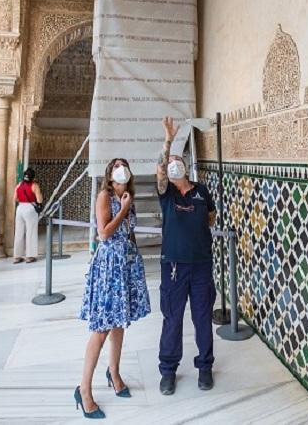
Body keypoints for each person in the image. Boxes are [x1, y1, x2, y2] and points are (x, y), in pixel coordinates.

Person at [76, 158, 150, 418]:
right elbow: (104, 233)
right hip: (109, 265)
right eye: (116, 165)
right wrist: (123, 209)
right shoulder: (104, 196)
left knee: (120, 323)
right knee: (102, 328)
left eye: (124, 165)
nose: (121, 168)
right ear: (109, 174)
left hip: (126, 263)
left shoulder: (129, 195)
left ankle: (114, 372)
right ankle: (84, 390)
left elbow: (129, 231)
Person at [156, 116, 217, 395]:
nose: (173, 164)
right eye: (170, 163)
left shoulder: (201, 190)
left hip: (202, 266)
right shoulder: (167, 193)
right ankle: (168, 370)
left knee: (202, 318)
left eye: (178, 161)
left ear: (186, 166)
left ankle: (205, 367)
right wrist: (168, 141)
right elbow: (159, 169)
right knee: (173, 318)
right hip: (174, 267)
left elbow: (212, 218)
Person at [13, 168, 42, 263]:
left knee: (19, 232)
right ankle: (30, 256)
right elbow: (39, 200)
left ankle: (17, 256)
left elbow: (15, 198)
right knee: (31, 231)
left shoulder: (19, 185)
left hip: (20, 208)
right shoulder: (34, 185)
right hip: (30, 208)